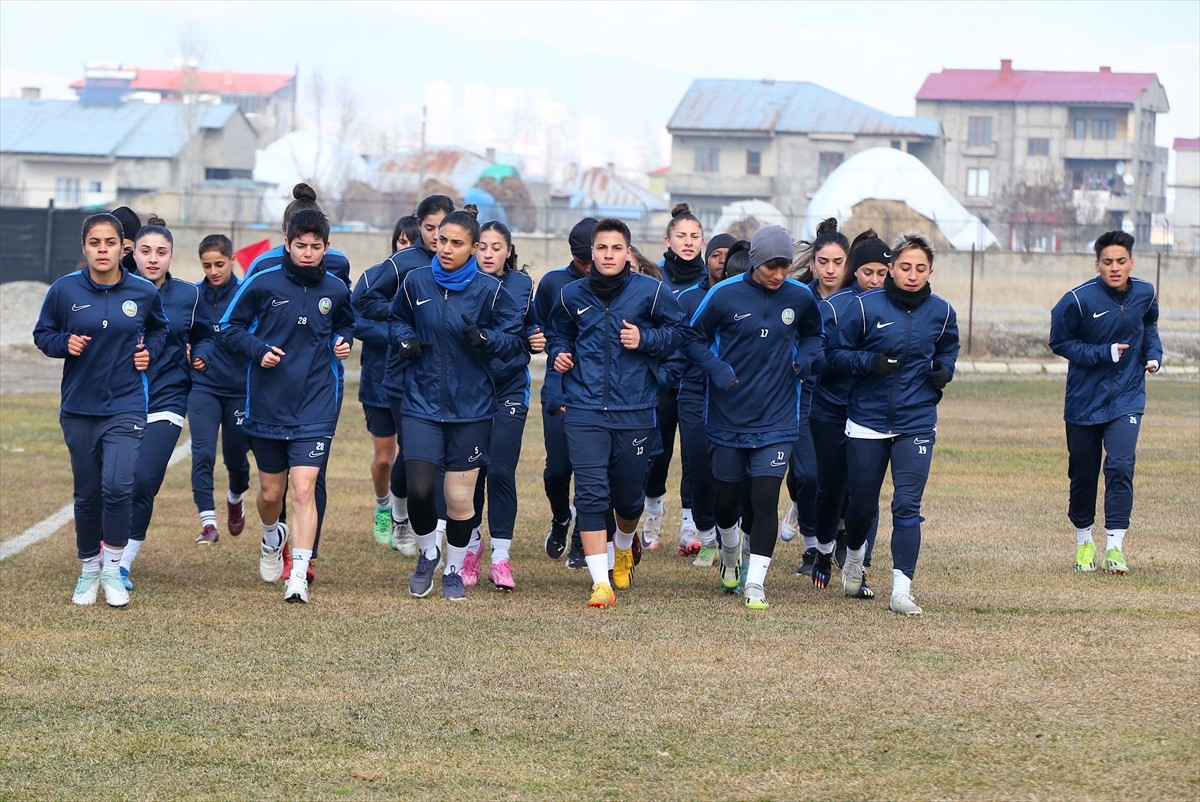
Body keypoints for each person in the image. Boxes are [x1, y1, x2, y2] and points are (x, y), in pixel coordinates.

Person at [684, 224, 824, 610]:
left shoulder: (800, 297)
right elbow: (692, 338)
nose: (779, 275)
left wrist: (805, 358)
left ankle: (755, 583)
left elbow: (815, 335)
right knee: (727, 504)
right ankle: (730, 559)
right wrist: (717, 369)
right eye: (771, 267)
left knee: (764, 499)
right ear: (757, 262)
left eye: (785, 267)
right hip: (728, 418)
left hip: (778, 419)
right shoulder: (722, 295)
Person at [548, 218, 685, 608]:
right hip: (584, 408)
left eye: (616, 248)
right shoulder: (570, 295)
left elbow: (679, 335)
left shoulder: (652, 292)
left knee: (627, 501)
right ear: (591, 254)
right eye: (601, 248)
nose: (608, 255)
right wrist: (558, 354)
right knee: (591, 496)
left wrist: (646, 340)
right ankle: (600, 582)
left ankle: (624, 547)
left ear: (628, 253)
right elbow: (557, 334)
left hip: (636, 410)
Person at [219, 209, 355, 604]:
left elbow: (347, 323)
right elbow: (229, 328)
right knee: (270, 493)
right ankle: (270, 535)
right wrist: (259, 351)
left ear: (327, 248)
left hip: (315, 404)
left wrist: (343, 340)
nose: (308, 253)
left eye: (316, 247)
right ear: (287, 244)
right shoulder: (262, 281)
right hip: (267, 403)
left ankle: (297, 572)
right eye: (301, 246)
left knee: (303, 489)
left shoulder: (336, 288)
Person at [390, 205, 524, 601]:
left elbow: (513, 343)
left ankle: (453, 566)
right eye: (441, 240)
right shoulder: (415, 282)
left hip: (472, 408)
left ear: (473, 248)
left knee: (460, 499)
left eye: (456, 243)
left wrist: (487, 340)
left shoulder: (490, 291)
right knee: (418, 489)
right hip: (420, 404)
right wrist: (405, 341)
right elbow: (397, 320)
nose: (445, 248)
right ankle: (429, 552)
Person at [33, 213, 168, 607]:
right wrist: (64, 343)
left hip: (126, 404)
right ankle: (89, 569)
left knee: (119, 485)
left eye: (110, 242)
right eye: (95, 243)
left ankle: (112, 570)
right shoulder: (63, 290)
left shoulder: (143, 292)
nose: (103, 250)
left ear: (122, 246)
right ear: (85, 248)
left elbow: (159, 330)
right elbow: (43, 333)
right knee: (89, 493)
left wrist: (149, 352)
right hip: (78, 407)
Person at [827, 232, 959, 616]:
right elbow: (834, 354)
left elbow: (949, 347)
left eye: (920, 268)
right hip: (867, 420)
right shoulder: (865, 308)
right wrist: (868, 363)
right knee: (862, 507)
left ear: (930, 270)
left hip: (916, 419)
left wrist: (943, 371)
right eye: (905, 267)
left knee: (907, 504)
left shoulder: (943, 311)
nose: (912, 275)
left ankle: (902, 590)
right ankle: (854, 559)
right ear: (891, 270)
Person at [1049, 230, 1161, 575]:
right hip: (1084, 401)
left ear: (1132, 262)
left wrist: (1154, 355)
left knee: (1121, 467)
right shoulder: (1078, 300)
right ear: (1097, 264)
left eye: (1121, 261)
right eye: (1108, 262)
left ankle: (1115, 547)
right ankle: (1084, 541)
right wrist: (1103, 353)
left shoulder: (1145, 292)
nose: (1115, 268)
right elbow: (1059, 342)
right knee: (1083, 474)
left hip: (1127, 398)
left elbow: (1150, 326)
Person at [358, 194, 458, 555]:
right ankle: (399, 517)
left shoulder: (461, 264)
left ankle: (442, 530)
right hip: (404, 376)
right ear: (419, 226)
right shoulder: (403, 263)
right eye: (430, 228)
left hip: (448, 377)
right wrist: (402, 324)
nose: (437, 236)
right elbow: (363, 301)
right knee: (408, 453)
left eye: (443, 229)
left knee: (442, 459)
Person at [122, 217, 210, 589]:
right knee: (113, 483)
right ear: (134, 254)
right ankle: (101, 552)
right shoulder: (114, 288)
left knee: (143, 480)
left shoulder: (189, 296)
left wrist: (200, 352)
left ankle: (123, 562)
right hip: (120, 399)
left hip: (168, 397)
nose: (153, 259)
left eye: (161, 252)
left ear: (172, 255)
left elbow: (206, 333)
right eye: (145, 252)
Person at [806, 231, 889, 598]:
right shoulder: (833, 307)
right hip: (831, 409)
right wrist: (863, 363)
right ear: (855, 271)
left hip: (873, 414)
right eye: (867, 272)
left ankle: (859, 566)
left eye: (881, 273)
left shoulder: (896, 309)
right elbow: (819, 361)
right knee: (830, 488)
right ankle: (824, 551)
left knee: (865, 495)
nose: (874, 280)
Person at [461, 220, 541, 590]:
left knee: (501, 469)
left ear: (509, 251)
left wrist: (538, 337)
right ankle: (471, 550)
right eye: (483, 247)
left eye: (497, 247)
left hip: (509, 387)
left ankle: (502, 558)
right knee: (471, 471)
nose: (489, 253)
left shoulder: (522, 284)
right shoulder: (459, 283)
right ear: (473, 249)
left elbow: (533, 325)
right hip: (470, 390)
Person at [532, 217, 598, 569]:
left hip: (600, 393)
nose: (593, 268)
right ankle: (561, 518)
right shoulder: (554, 283)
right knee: (558, 470)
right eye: (585, 261)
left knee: (590, 472)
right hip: (560, 389)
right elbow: (539, 328)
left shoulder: (616, 286)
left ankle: (580, 541)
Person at [787, 218, 848, 576]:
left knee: (839, 476)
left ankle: (838, 536)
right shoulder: (797, 298)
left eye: (837, 262)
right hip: (804, 398)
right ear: (812, 264)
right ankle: (811, 545)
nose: (829, 269)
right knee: (807, 477)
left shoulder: (859, 300)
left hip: (844, 399)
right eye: (823, 261)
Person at [644, 203, 706, 555]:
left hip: (696, 380)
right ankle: (652, 514)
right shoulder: (654, 276)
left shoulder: (710, 281)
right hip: (660, 379)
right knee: (658, 452)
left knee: (696, 455)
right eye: (681, 236)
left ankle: (689, 524)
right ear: (667, 240)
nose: (688, 242)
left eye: (694, 236)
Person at [672, 232, 736, 567]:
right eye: (716, 254)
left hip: (734, 392)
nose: (722, 260)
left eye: (728, 254)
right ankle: (707, 539)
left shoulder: (744, 296)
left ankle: (733, 541)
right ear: (707, 259)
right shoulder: (687, 298)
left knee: (729, 471)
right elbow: (680, 344)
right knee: (698, 467)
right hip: (695, 391)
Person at [189, 235, 252, 545]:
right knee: (201, 453)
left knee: (236, 459)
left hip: (240, 390)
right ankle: (208, 523)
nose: (213, 271)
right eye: (206, 265)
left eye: (218, 264)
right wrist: (190, 353)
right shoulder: (194, 297)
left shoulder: (246, 294)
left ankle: (235, 496)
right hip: (204, 387)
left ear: (231, 260)